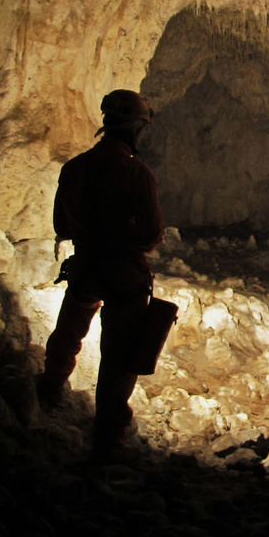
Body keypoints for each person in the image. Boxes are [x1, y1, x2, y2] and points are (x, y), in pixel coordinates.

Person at [38, 89, 163, 462]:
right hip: (123, 274)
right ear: (137, 129)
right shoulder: (136, 172)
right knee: (118, 360)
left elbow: (61, 224)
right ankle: (107, 442)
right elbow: (152, 234)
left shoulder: (75, 168)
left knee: (68, 335)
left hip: (86, 267)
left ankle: (49, 392)